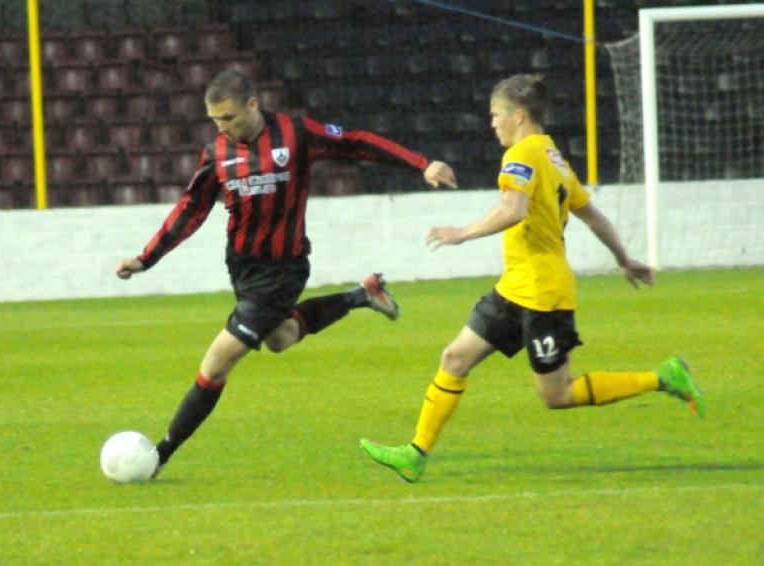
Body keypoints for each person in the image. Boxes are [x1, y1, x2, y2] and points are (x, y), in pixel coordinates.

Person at [360, 74, 705, 483]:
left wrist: (462, 233)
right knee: (455, 357)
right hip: (515, 287)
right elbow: (592, 215)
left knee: (556, 395)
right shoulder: (553, 156)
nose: (492, 124)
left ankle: (664, 377)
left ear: (518, 116)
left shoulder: (521, 154)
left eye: (496, 115)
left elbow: (514, 209)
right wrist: (624, 259)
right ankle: (415, 455)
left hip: (543, 294)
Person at [115, 69, 457, 476]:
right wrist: (145, 259)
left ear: (253, 105)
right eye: (216, 121)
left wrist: (421, 164)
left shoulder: (296, 134)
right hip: (242, 268)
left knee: (217, 363)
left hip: (283, 270)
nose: (223, 128)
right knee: (281, 338)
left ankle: (159, 455)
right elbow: (191, 210)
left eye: (229, 118)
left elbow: (355, 142)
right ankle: (361, 294)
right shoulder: (218, 153)